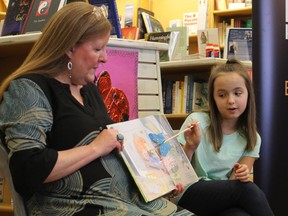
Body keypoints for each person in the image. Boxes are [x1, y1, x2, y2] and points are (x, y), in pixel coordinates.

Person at [0, 2, 191, 215]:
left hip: (127, 201)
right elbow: (27, 169)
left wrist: (157, 180)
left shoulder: (89, 90)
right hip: (76, 206)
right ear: (70, 47)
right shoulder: (29, 90)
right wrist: (95, 148)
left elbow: (114, 150)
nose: (105, 57)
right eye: (98, 49)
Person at [174, 58, 274, 216]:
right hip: (189, 192)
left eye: (237, 93)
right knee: (248, 190)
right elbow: (174, 171)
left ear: (248, 94)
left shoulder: (252, 137)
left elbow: (234, 183)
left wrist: (242, 173)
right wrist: (190, 147)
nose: (231, 100)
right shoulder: (197, 121)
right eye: (222, 95)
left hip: (222, 198)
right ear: (213, 98)